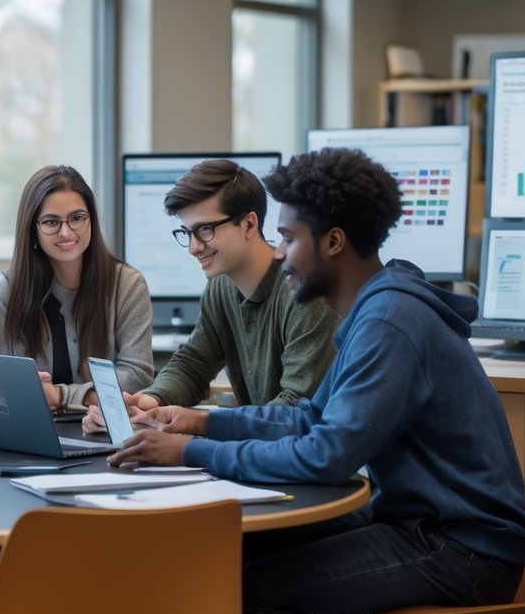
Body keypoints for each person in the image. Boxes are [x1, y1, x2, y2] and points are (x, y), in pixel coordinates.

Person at [109, 148, 525, 614]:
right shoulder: (376, 307)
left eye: (288, 239)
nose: (281, 254)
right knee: (233, 557)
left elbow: (328, 454)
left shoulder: (389, 322)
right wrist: (198, 424)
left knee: (246, 592)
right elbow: (312, 416)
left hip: (462, 548)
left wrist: (189, 452)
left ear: (332, 241)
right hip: (420, 521)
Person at [0, 164, 153, 593]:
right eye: (51, 221)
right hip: (33, 444)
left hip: (106, 442)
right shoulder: (9, 289)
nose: (66, 231)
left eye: (77, 218)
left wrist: (58, 395)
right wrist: (73, 395)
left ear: (91, 220)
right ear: (32, 229)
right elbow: (10, 385)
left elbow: (138, 374)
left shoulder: (126, 284)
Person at [82, 159, 337, 435]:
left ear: (249, 224)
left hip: (309, 465)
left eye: (205, 230)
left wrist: (202, 428)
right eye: (187, 233)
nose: (193, 247)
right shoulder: (221, 287)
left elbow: (296, 410)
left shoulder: (304, 293)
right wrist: (149, 401)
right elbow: (193, 364)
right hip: (262, 455)